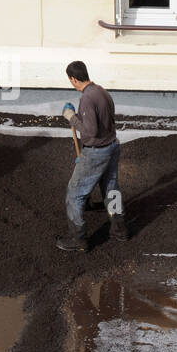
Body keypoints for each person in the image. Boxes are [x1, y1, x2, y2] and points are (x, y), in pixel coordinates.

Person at [58, 61, 129, 252]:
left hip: (96, 151)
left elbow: (90, 131)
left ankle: (78, 239)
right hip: (112, 146)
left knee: (74, 194)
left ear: (73, 79)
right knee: (111, 187)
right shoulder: (102, 91)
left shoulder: (87, 98)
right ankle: (119, 229)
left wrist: (71, 116)